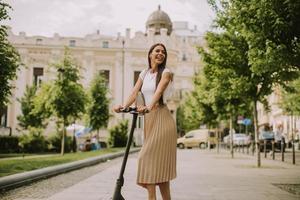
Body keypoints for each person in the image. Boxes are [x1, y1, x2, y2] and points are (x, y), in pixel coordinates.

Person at [113, 43, 177, 200]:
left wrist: (148, 106)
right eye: (157, 51)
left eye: (163, 52)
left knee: (146, 159)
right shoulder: (144, 73)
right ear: (150, 54)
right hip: (149, 120)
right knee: (160, 173)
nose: (160, 53)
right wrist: (123, 106)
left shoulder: (166, 73)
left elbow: (159, 91)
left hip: (162, 119)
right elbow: (135, 92)